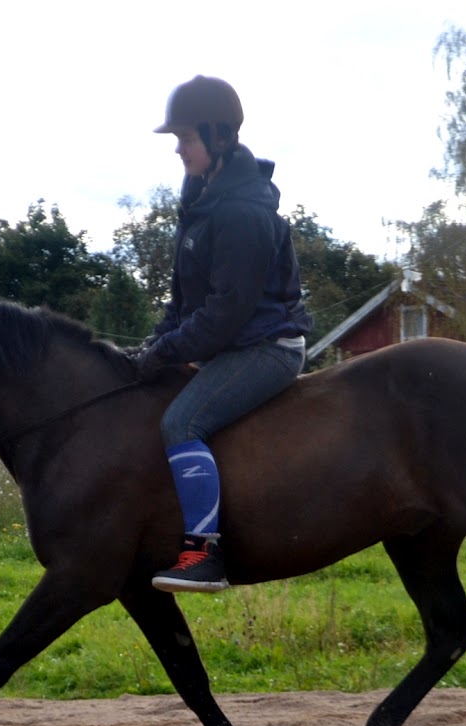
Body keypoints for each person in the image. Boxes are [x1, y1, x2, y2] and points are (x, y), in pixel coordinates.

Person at [134, 75, 313, 594]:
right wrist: (151, 346)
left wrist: (164, 352)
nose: (178, 149)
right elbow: (183, 303)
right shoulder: (202, 200)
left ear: (219, 136)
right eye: (177, 138)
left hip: (266, 348)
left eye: (186, 138)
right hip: (230, 343)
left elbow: (225, 314)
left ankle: (204, 552)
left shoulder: (240, 213)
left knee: (182, 422)